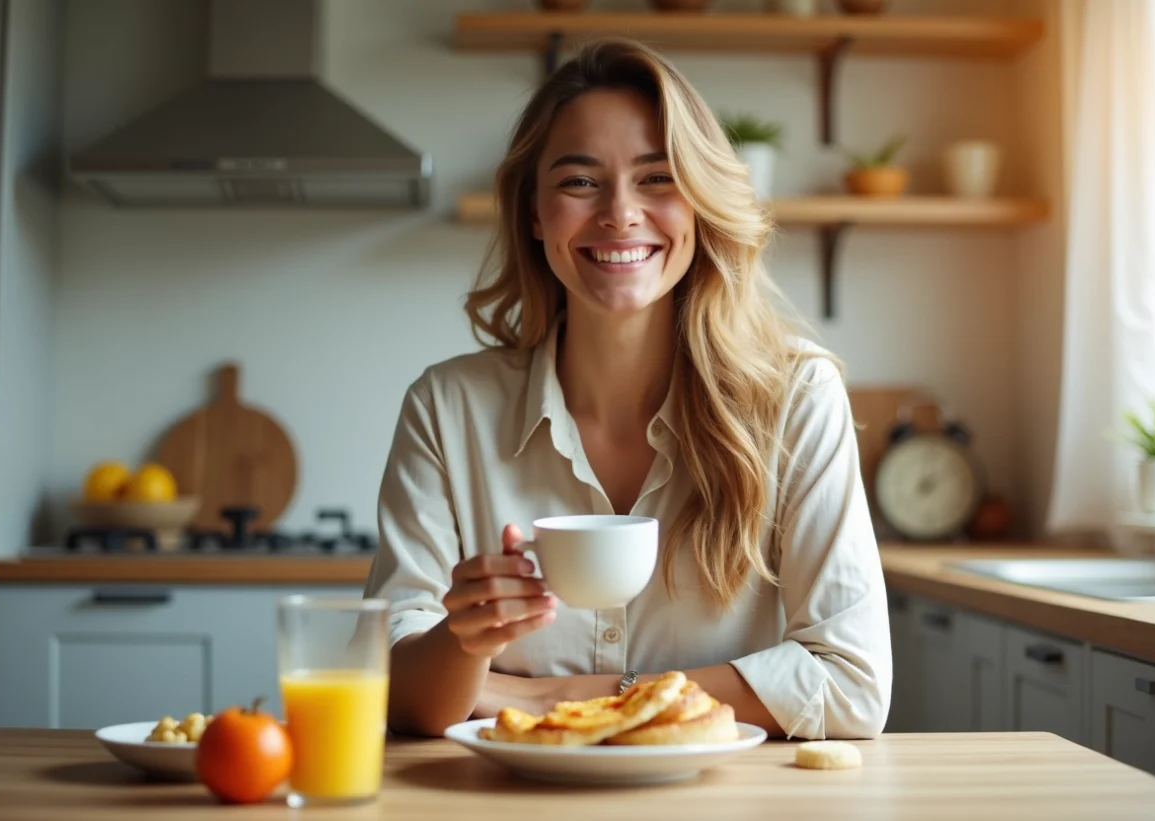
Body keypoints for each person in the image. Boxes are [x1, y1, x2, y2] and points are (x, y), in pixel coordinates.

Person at [363, 37, 891, 741]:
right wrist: (466, 641)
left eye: (658, 178)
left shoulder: (795, 397)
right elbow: (391, 692)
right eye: (580, 182)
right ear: (533, 211)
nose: (619, 212)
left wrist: (560, 693)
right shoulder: (445, 409)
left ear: (701, 203)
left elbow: (853, 686)